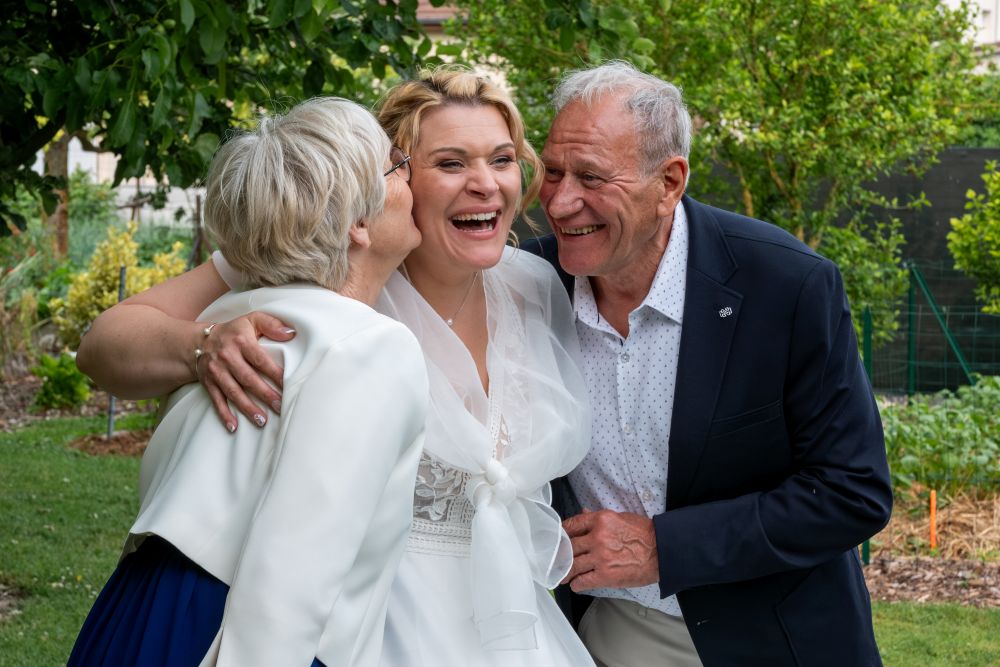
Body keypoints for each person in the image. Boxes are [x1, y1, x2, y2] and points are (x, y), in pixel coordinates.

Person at [76, 69, 595, 666]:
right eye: (450, 164)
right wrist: (204, 342)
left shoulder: (536, 284)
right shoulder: (314, 265)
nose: (486, 184)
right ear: (384, 184)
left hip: (513, 627)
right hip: (369, 622)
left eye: (502, 159)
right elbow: (104, 343)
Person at [524, 61, 893, 666]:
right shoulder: (531, 287)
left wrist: (663, 549)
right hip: (610, 631)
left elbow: (852, 492)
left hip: (773, 636)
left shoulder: (788, 286)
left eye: (591, 176)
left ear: (669, 182)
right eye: (554, 171)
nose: (561, 202)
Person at [69, 98, 429, 666]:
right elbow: (293, 575)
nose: (413, 177)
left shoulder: (228, 319)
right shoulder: (370, 345)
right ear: (358, 224)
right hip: (234, 630)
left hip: (132, 610)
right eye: (397, 166)